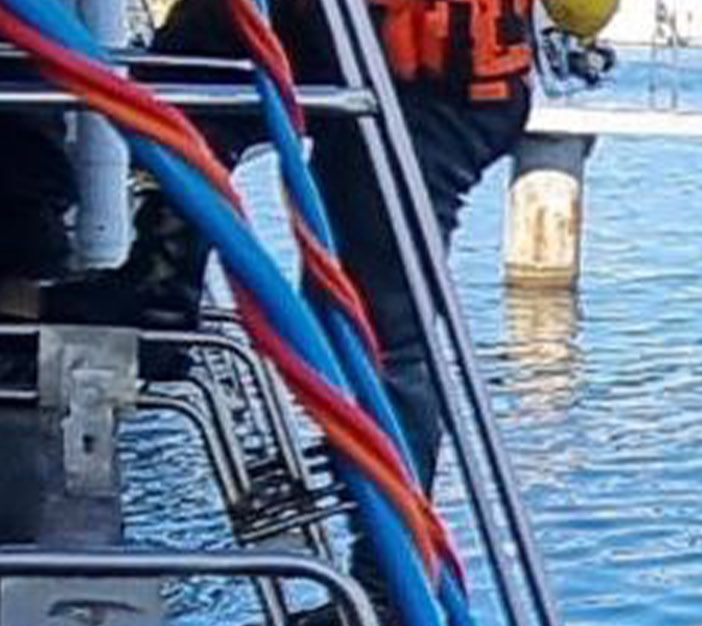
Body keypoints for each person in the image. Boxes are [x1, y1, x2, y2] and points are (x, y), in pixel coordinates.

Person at [48, 0, 601, 493]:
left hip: (426, 83)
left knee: (377, 332)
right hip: (387, 61)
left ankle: (393, 583)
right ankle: (162, 281)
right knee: (196, 63)